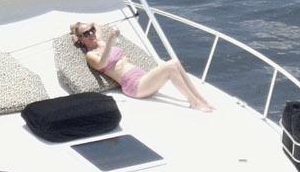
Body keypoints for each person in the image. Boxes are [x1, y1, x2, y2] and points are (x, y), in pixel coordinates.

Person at [71, 20, 213, 112]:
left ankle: (200, 98)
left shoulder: (99, 40)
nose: (91, 34)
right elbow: (102, 63)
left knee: (175, 63)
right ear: (81, 39)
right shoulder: (91, 55)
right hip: (134, 86)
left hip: (143, 78)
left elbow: (95, 24)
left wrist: (79, 28)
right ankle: (193, 101)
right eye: (86, 33)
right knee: (170, 65)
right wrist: (110, 42)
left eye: (91, 31)